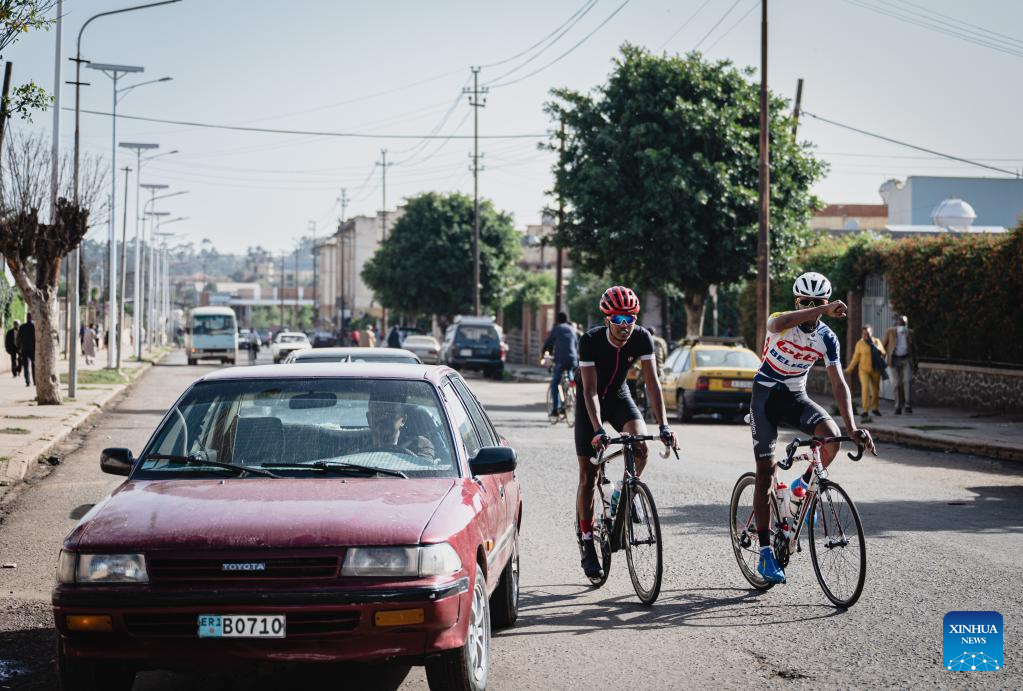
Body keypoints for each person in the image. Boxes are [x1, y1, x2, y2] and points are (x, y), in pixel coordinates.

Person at [750, 272, 876, 585]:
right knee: (765, 470)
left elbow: (838, 382)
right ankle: (765, 552)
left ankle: (801, 487)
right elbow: (778, 325)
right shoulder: (782, 320)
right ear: (796, 302)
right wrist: (821, 308)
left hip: (795, 398)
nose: (810, 307)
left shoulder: (826, 337)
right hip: (765, 397)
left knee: (832, 440)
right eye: (805, 302)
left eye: (816, 302)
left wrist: (854, 426)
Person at [575, 286, 678, 580]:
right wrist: (596, 430)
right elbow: (590, 390)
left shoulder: (643, 337)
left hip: (620, 397)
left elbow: (652, 383)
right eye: (619, 318)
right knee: (588, 476)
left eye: (630, 317)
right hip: (590, 403)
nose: (625, 324)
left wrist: (665, 426)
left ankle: (623, 492)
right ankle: (586, 541)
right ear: (607, 318)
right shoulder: (590, 341)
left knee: (641, 447)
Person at [540, 312, 579, 416]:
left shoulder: (557, 329)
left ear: (557, 320)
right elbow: (576, 344)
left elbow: (549, 343)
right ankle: (571, 392)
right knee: (570, 376)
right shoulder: (572, 329)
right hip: (573, 359)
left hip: (561, 360)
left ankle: (555, 409)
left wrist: (543, 353)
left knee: (555, 384)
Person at [845, 325, 886, 422]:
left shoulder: (876, 341)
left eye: (867, 333)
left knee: (875, 390)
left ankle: (875, 408)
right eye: (864, 333)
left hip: (876, 369)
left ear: (871, 333)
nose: (866, 335)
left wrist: (878, 350)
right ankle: (865, 410)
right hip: (863, 370)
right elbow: (855, 358)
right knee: (865, 388)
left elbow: (884, 353)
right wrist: (849, 369)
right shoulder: (860, 343)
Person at [883, 315, 916, 414]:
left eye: (904, 323)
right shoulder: (891, 331)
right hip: (894, 359)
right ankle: (897, 406)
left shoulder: (910, 333)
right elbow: (884, 345)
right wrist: (882, 357)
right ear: (897, 323)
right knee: (896, 383)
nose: (903, 324)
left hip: (906, 359)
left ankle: (907, 405)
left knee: (907, 381)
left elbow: (914, 348)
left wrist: (916, 363)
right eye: (901, 322)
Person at [17, 313, 35, 387]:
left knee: (26, 366)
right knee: (34, 366)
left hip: (24, 349)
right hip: (33, 349)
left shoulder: (22, 327)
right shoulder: (34, 327)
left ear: (27, 318)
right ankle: (35, 381)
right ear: (32, 318)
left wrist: (19, 348)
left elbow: (18, 338)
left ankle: (28, 381)